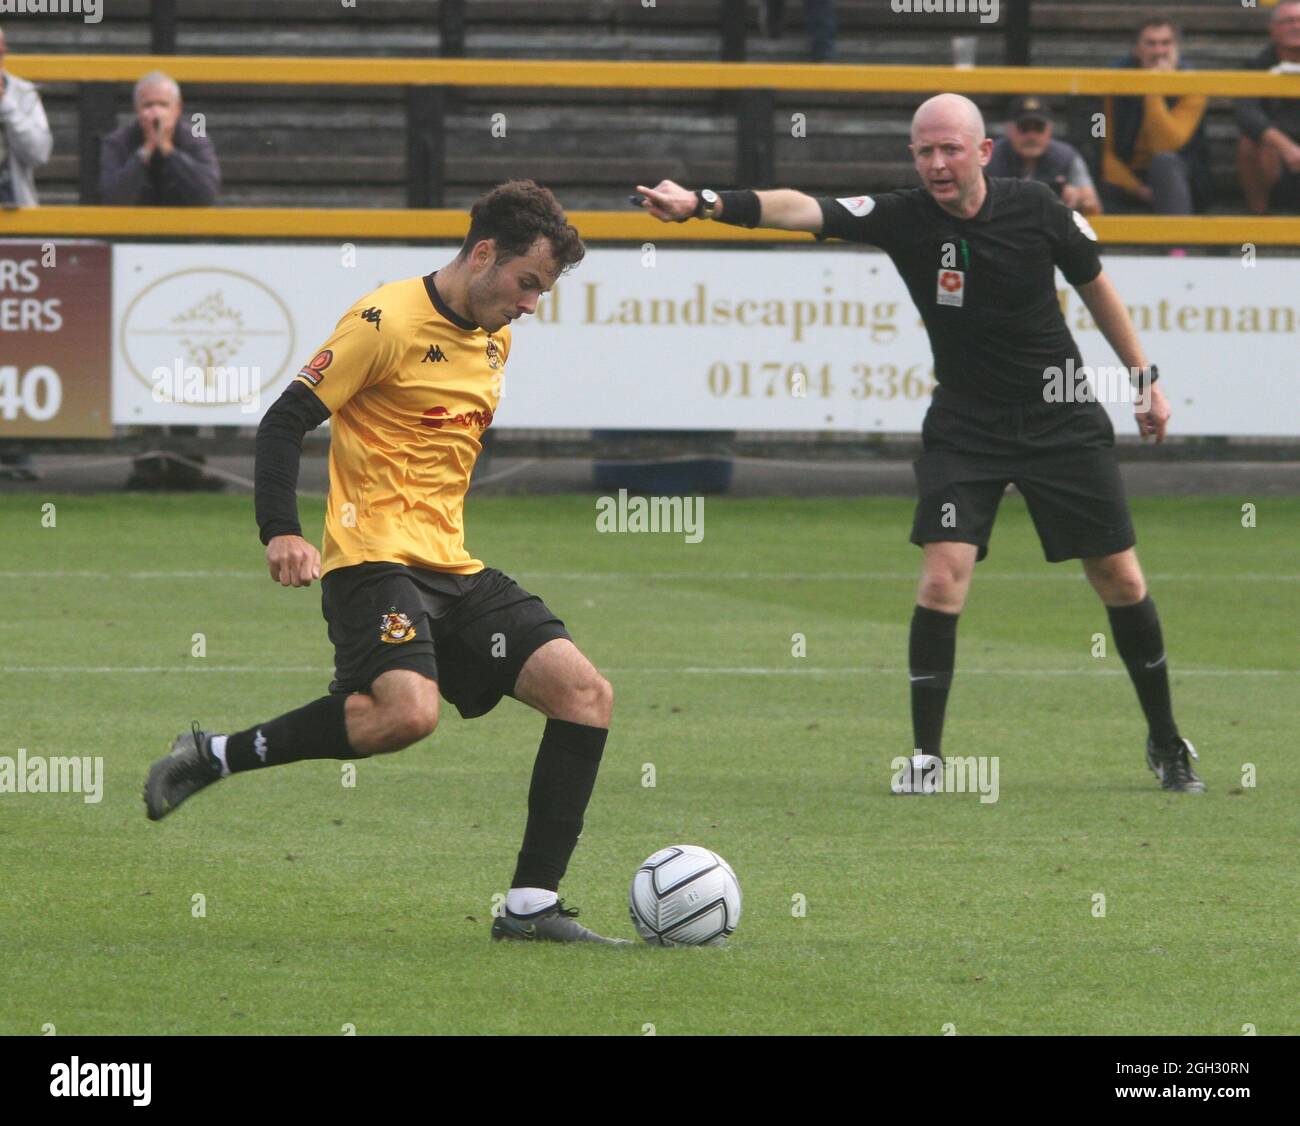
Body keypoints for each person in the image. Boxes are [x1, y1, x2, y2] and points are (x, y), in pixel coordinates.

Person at [636, 93, 1204, 794]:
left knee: (1120, 579)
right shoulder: (906, 217)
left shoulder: (1037, 208)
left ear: (983, 153)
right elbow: (801, 208)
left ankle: (1167, 739)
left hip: (1061, 416)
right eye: (925, 151)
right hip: (967, 423)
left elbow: (1096, 288)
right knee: (942, 577)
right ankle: (928, 759)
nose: (937, 163)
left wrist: (1144, 381)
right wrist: (704, 202)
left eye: (950, 149)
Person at [143, 181, 630, 942]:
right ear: (482, 255)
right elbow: (284, 422)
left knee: (585, 694)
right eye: (527, 283)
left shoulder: (497, 332)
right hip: (370, 560)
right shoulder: (383, 321)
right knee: (407, 715)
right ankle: (215, 756)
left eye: (544, 290)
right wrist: (282, 530)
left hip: (454, 567)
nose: (533, 304)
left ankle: (531, 907)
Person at [1099, 18, 1212, 215]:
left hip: (1181, 177)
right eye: (1150, 43)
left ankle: (1176, 245)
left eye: (1166, 43)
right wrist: (1137, 189)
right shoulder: (1112, 81)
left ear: (1176, 49)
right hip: (1125, 177)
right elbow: (1101, 150)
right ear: (1136, 49)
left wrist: (1154, 89)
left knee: (1165, 162)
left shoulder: (1194, 85)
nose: (1159, 51)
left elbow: (1165, 145)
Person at [99, 71, 220, 206]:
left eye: (163, 105)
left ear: (177, 108)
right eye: (148, 105)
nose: (156, 113)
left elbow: (206, 196)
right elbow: (114, 199)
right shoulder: (118, 142)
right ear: (136, 109)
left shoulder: (195, 139)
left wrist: (168, 150)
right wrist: (146, 150)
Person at [1236, 0, 1300, 215]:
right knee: (1250, 143)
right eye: (1289, 21)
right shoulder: (1255, 65)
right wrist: (1286, 147)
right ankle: (1259, 221)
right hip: (1278, 163)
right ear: (1273, 30)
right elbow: (1246, 115)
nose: (1297, 26)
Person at [987, 95, 1102, 215]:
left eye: (1039, 128)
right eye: (1024, 128)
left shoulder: (1066, 156)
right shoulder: (990, 156)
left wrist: (1079, 199)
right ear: (1008, 129)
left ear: (1050, 129)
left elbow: (1095, 209)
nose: (1031, 136)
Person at [0, 25, 53, 207]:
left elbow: (40, 153)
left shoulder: (24, 94)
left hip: (15, 212)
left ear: (4, 52)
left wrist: (5, 105)